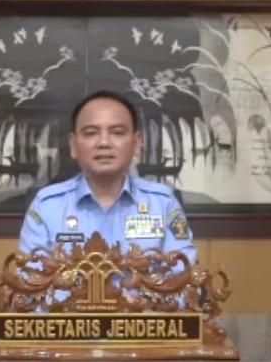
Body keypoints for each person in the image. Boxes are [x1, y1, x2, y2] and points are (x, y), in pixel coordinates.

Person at [18, 90, 196, 263]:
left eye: (117, 132)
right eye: (91, 133)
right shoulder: (46, 206)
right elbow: (29, 277)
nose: (104, 143)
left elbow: (184, 273)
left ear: (136, 143)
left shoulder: (163, 203)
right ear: (73, 145)